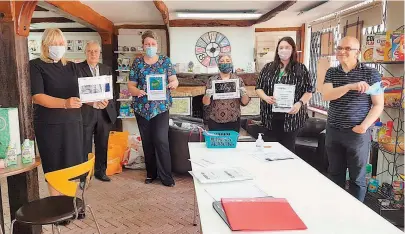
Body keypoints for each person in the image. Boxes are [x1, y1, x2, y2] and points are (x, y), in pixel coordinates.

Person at [319, 36, 384, 202]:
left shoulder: (371, 73)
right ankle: (337, 211)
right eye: (339, 48)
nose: (342, 51)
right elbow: (327, 95)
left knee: (357, 179)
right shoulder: (332, 72)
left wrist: (364, 126)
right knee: (335, 174)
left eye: (348, 48)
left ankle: (357, 217)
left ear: (358, 52)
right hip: (333, 130)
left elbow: (378, 105)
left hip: (357, 134)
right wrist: (349, 86)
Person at [30, 28, 84, 196]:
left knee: (74, 166)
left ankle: (71, 204)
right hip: (49, 125)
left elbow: (83, 92)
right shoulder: (36, 65)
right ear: (45, 45)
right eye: (54, 43)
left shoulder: (72, 67)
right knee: (55, 167)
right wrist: (64, 103)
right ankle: (57, 206)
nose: (58, 46)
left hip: (73, 123)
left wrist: (97, 101)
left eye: (61, 43)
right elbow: (37, 97)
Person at [127, 30, 178, 187]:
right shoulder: (137, 63)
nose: (150, 46)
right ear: (143, 45)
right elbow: (131, 85)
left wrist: (173, 84)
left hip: (160, 107)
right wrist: (138, 92)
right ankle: (151, 174)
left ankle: (166, 176)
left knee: (161, 140)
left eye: (153, 44)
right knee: (147, 142)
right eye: (147, 44)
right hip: (142, 108)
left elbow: (174, 80)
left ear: (157, 45)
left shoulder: (165, 61)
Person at [255, 37, 314, 152]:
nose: (284, 50)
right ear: (277, 50)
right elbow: (258, 88)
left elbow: (309, 91)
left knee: (287, 151)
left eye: (287, 47)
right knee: (269, 151)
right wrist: (266, 97)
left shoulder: (301, 68)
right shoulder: (268, 68)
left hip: (292, 118)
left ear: (293, 50)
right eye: (281, 47)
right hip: (270, 118)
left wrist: (299, 103)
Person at [79, 41, 117, 182]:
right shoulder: (78, 69)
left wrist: (107, 101)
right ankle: (84, 175)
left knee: (102, 143)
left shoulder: (106, 69)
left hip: (104, 112)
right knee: (85, 145)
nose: (93, 54)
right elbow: (76, 91)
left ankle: (101, 172)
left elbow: (110, 90)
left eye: (95, 51)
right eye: (90, 51)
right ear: (86, 53)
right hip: (86, 112)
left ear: (99, 53)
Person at [202, 54, 250, 132]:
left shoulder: (238, 80)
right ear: (218, 64)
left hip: (233, 120)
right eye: (222, 61)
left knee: (231, 143)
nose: (225, 63)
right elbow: (206, 103)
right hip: (215, 120)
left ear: (231, 63)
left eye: (228, 61)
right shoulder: (212, 80)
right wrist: (207, 95)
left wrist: (244, 94)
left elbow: (244, 102)